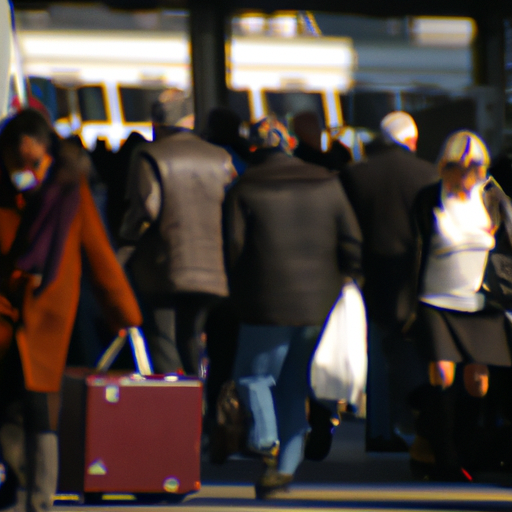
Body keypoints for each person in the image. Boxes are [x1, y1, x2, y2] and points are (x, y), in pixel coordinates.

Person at [0, 108, 143, 512]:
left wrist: (124, 314)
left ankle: (39, 496)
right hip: (4, 313)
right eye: (15, 161)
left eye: (29, 162)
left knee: (38, 404)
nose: (22, 170)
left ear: (45, 151)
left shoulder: (69, 191)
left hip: (46, 314)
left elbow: (99, 254)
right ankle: (16, 476)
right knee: (8, 403)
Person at [225, 115, 363, 499]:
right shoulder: (327, 182)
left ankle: (266, 441)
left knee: (253, 377)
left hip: (264, 302)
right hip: (319, 305)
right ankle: (282, 470)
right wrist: (346, 284)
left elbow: (234, 252)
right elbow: (352, 241)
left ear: (253, 149)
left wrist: (235, 299)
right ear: (287, 143)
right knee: (293, 388)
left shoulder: (243, 188)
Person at [409, 130, 512, 481]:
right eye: (459, 166)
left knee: (477, 383)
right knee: (441, 373)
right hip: (435, 299)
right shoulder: (429, 198)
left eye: (474, 166)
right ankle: (446, 458)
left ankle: (457, 446)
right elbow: (414, 247)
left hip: (480, 302)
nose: (467, 173)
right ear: (446, 167)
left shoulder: (491, 199)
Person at [118, 89, 236, 376]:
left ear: (157, 124)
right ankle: (201, 408)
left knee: (166, 344)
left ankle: (177, 413)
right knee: (194, 339)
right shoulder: (220, 157)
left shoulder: (149, 154)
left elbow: (147, 209)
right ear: (191, 119)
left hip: (165, 269)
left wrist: (123, 244)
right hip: (213, 272)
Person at [340, 111, 439, 451]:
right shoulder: (427, 174)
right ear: (410, 140)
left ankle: (377, 428)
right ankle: (411, 420)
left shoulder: (355, 174)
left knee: (373, 351)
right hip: (413, 277)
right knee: (411, 352)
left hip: (365, 274)